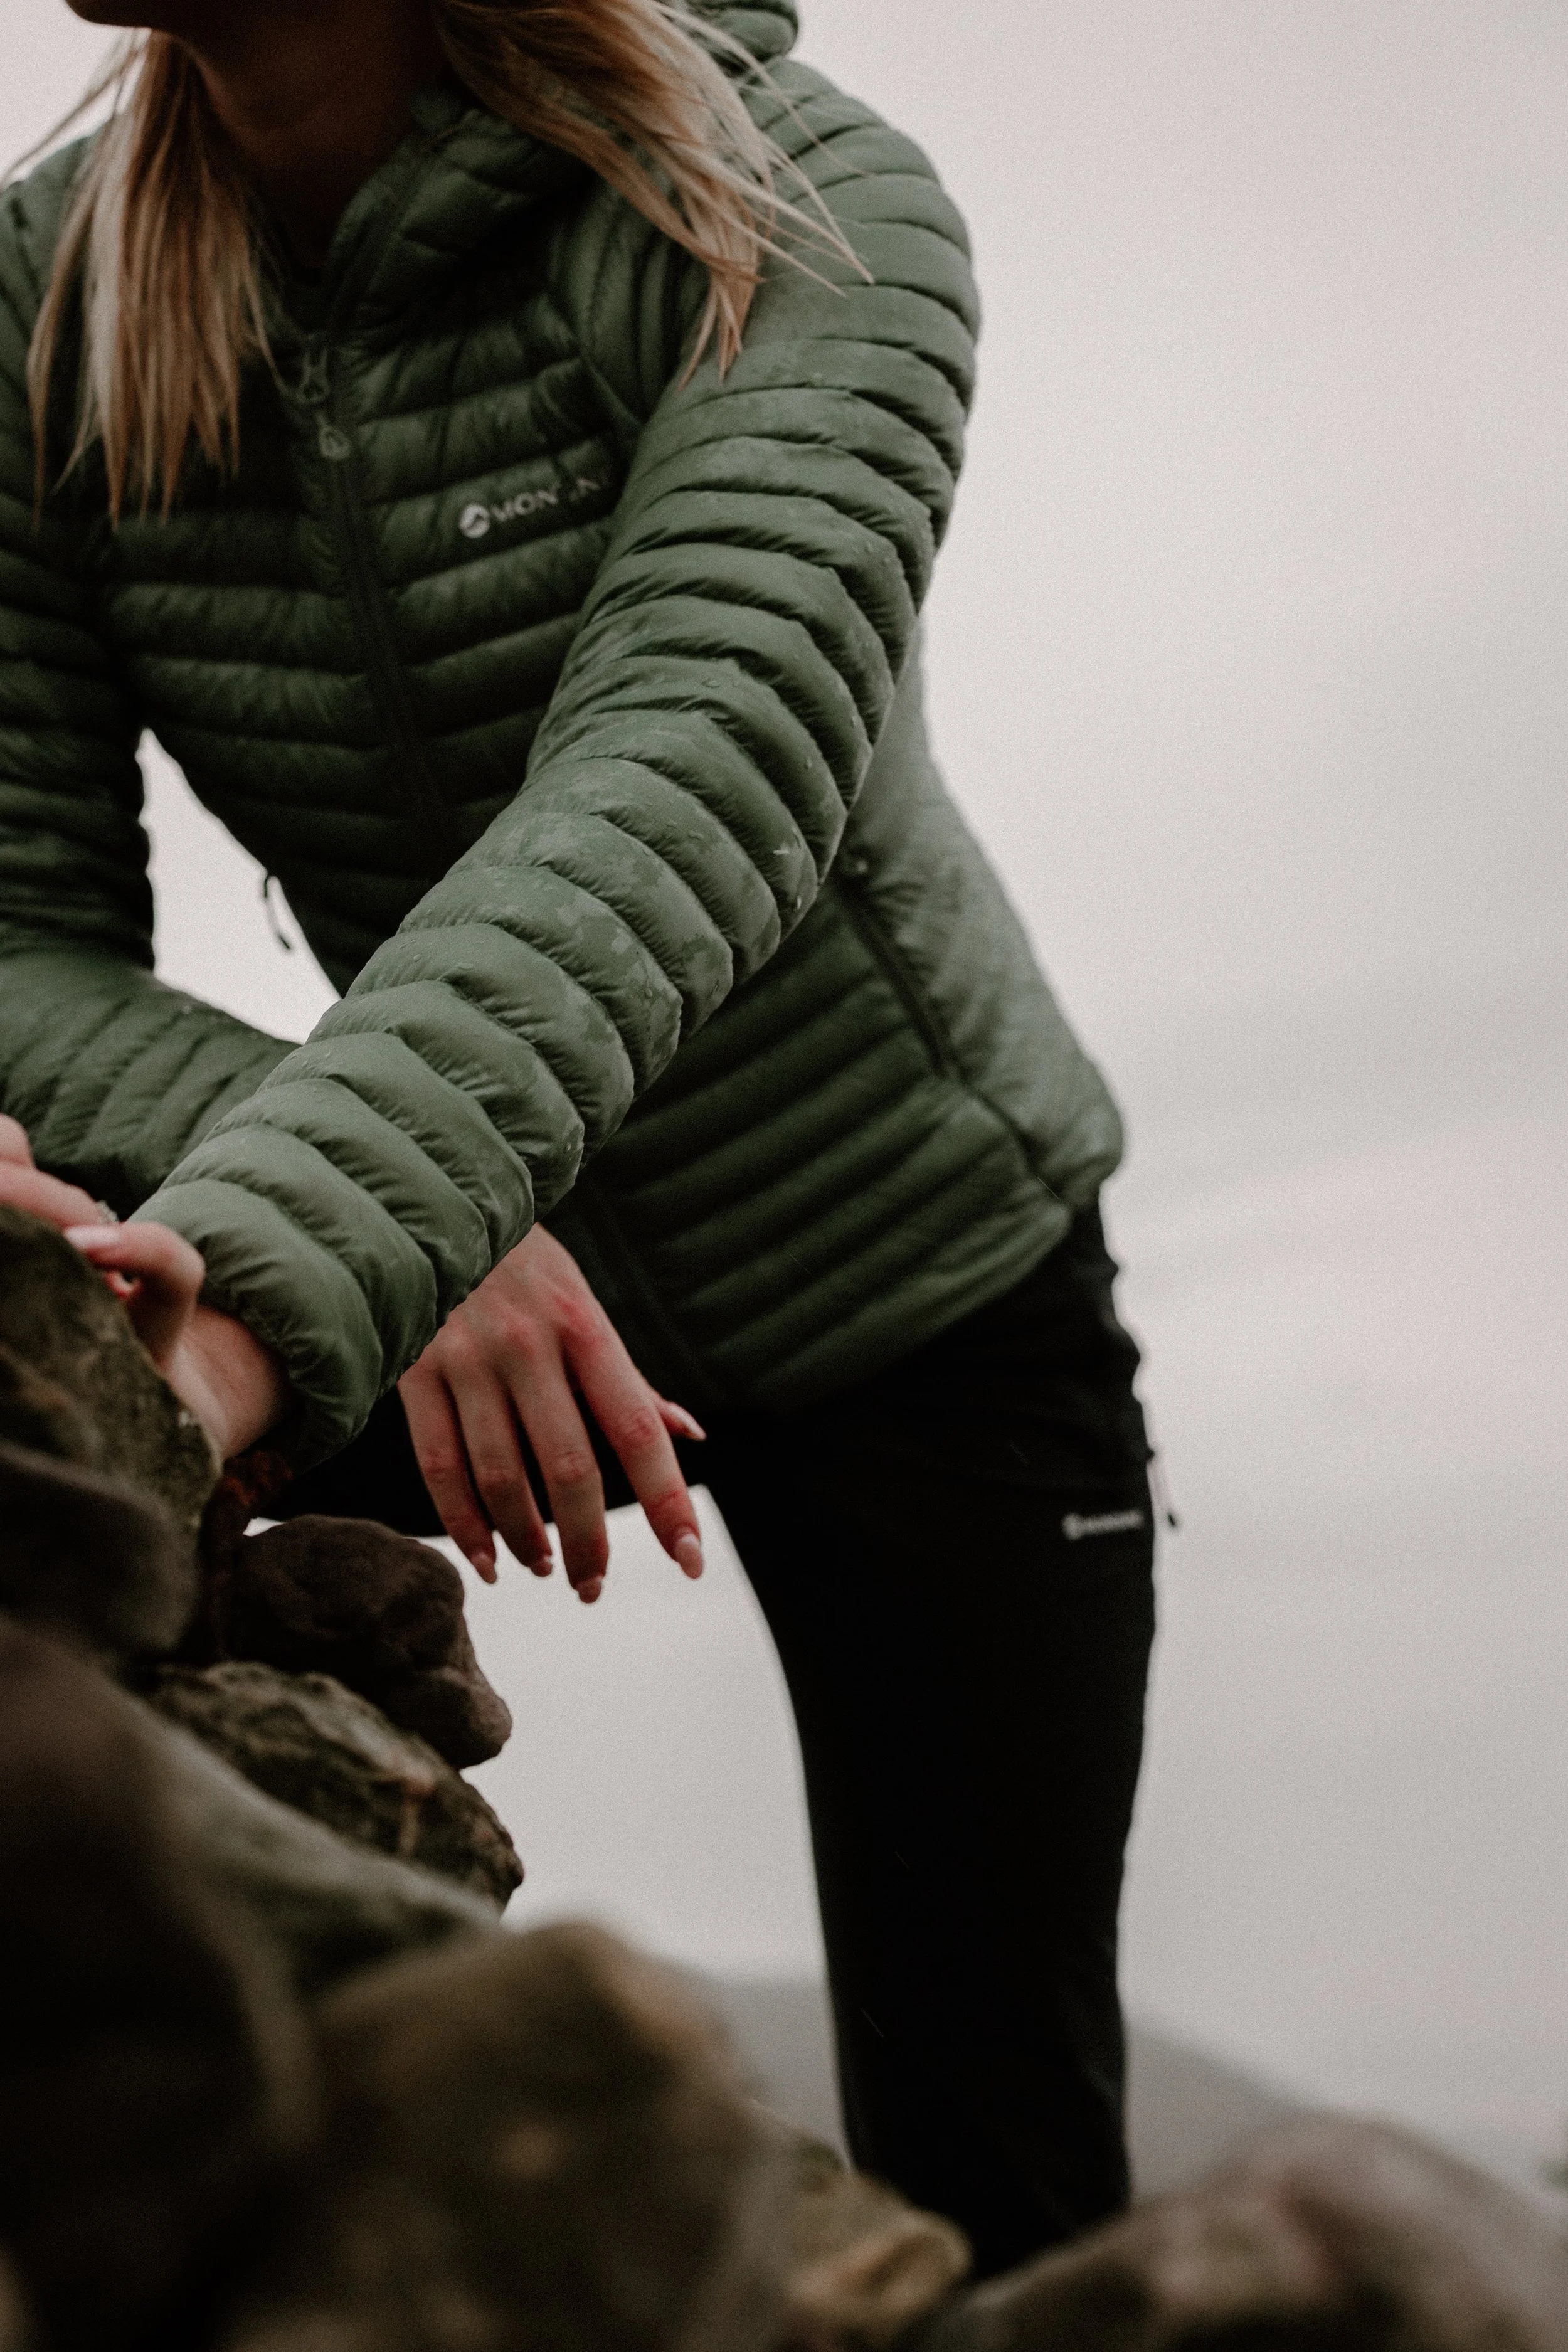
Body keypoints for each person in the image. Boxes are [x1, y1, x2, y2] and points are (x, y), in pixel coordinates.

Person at [0, 0, 1157, 2272]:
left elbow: (697, 758)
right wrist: (376, 1212)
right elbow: (12, 933)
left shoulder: (794, 206)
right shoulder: (34, 305)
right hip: (391, 1254)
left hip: (911, 1288)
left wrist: (294, 1261)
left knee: (992, 2168)